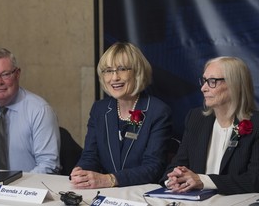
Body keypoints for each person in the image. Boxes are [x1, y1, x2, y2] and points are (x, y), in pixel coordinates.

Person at [70, 42, 172, 189]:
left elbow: (153, 168)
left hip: (141, 194)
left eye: (122, 69)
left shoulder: (157, 111)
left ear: (137, 72)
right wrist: (81, 171)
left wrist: (110, 179)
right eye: (108, 71)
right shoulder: (100, 109)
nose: (114, 77)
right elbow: (90, 156)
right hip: (106, 195)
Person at [160, 56, 259, 195]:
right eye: (204, 81)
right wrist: (174, 178)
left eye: (212, 81)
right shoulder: (196, 118)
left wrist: (203, 181)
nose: (203, 88)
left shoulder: (256, 124)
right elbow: (177, 165)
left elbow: (254, 180)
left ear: (234, 85)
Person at [0, 47, 60, 174]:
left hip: (29, 189)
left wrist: (15, 190)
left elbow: (48, 165)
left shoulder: (40, 111)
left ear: (17, 74)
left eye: (5, 74)